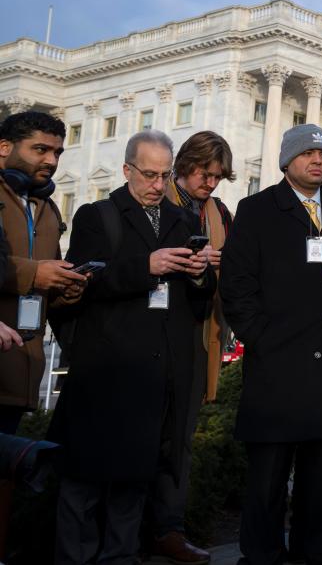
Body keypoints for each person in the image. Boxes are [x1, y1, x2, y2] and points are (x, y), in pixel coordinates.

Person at [48, 130, 214, 564]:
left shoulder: (183, 221)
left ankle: (120, 556)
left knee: (134, 480)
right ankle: (73, 557)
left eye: (164, 175)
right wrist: (146, 266)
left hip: (158, 370)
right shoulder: (96, 215)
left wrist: (199, 272)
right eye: (149, 174)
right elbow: (85, 279)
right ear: (127, 170)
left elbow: (198, 301)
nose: (158, 184)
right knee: (83, 477)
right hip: (106, 366)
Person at [220, 124, 322, 565]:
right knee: (269, 476)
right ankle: (262, 555)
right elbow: (236, 284)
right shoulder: (257, 209)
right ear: (287, 160)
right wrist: (260, 337)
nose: (318, 161)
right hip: (279, 364)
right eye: (309, 153)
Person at [148, 130, 236, 564]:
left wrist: (223, 264)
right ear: (184, 166)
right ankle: (132, 528)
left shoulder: (219, 212)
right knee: (143, 433)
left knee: (180, 437)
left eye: (217, 176)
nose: (210, 183)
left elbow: (235, 267)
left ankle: (169, 528)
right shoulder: (157, 200)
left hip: (200, 333)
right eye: (204, 173)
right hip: (153, 332)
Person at [0, 110, 83, 434]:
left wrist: (68, 286)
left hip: (24, 370)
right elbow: (32, 274)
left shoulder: (47, 208)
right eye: (40, 150)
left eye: (57, 152)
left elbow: (49, 287)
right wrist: (33, 274)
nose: (51, 160)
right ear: (5, 147)